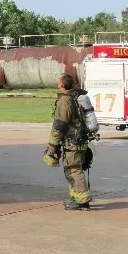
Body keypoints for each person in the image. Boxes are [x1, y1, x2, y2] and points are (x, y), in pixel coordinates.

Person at [44, 73, 92, 210]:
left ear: (62, 84)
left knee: (73, 170)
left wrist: (52, 146)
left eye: (59, 81)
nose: (57, 83)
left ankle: (82, 201)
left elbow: (60, 124)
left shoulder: (65, 100)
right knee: (74, 169)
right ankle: (76, 196)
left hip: (72, 142)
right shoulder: (75, 96)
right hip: (79, 141)